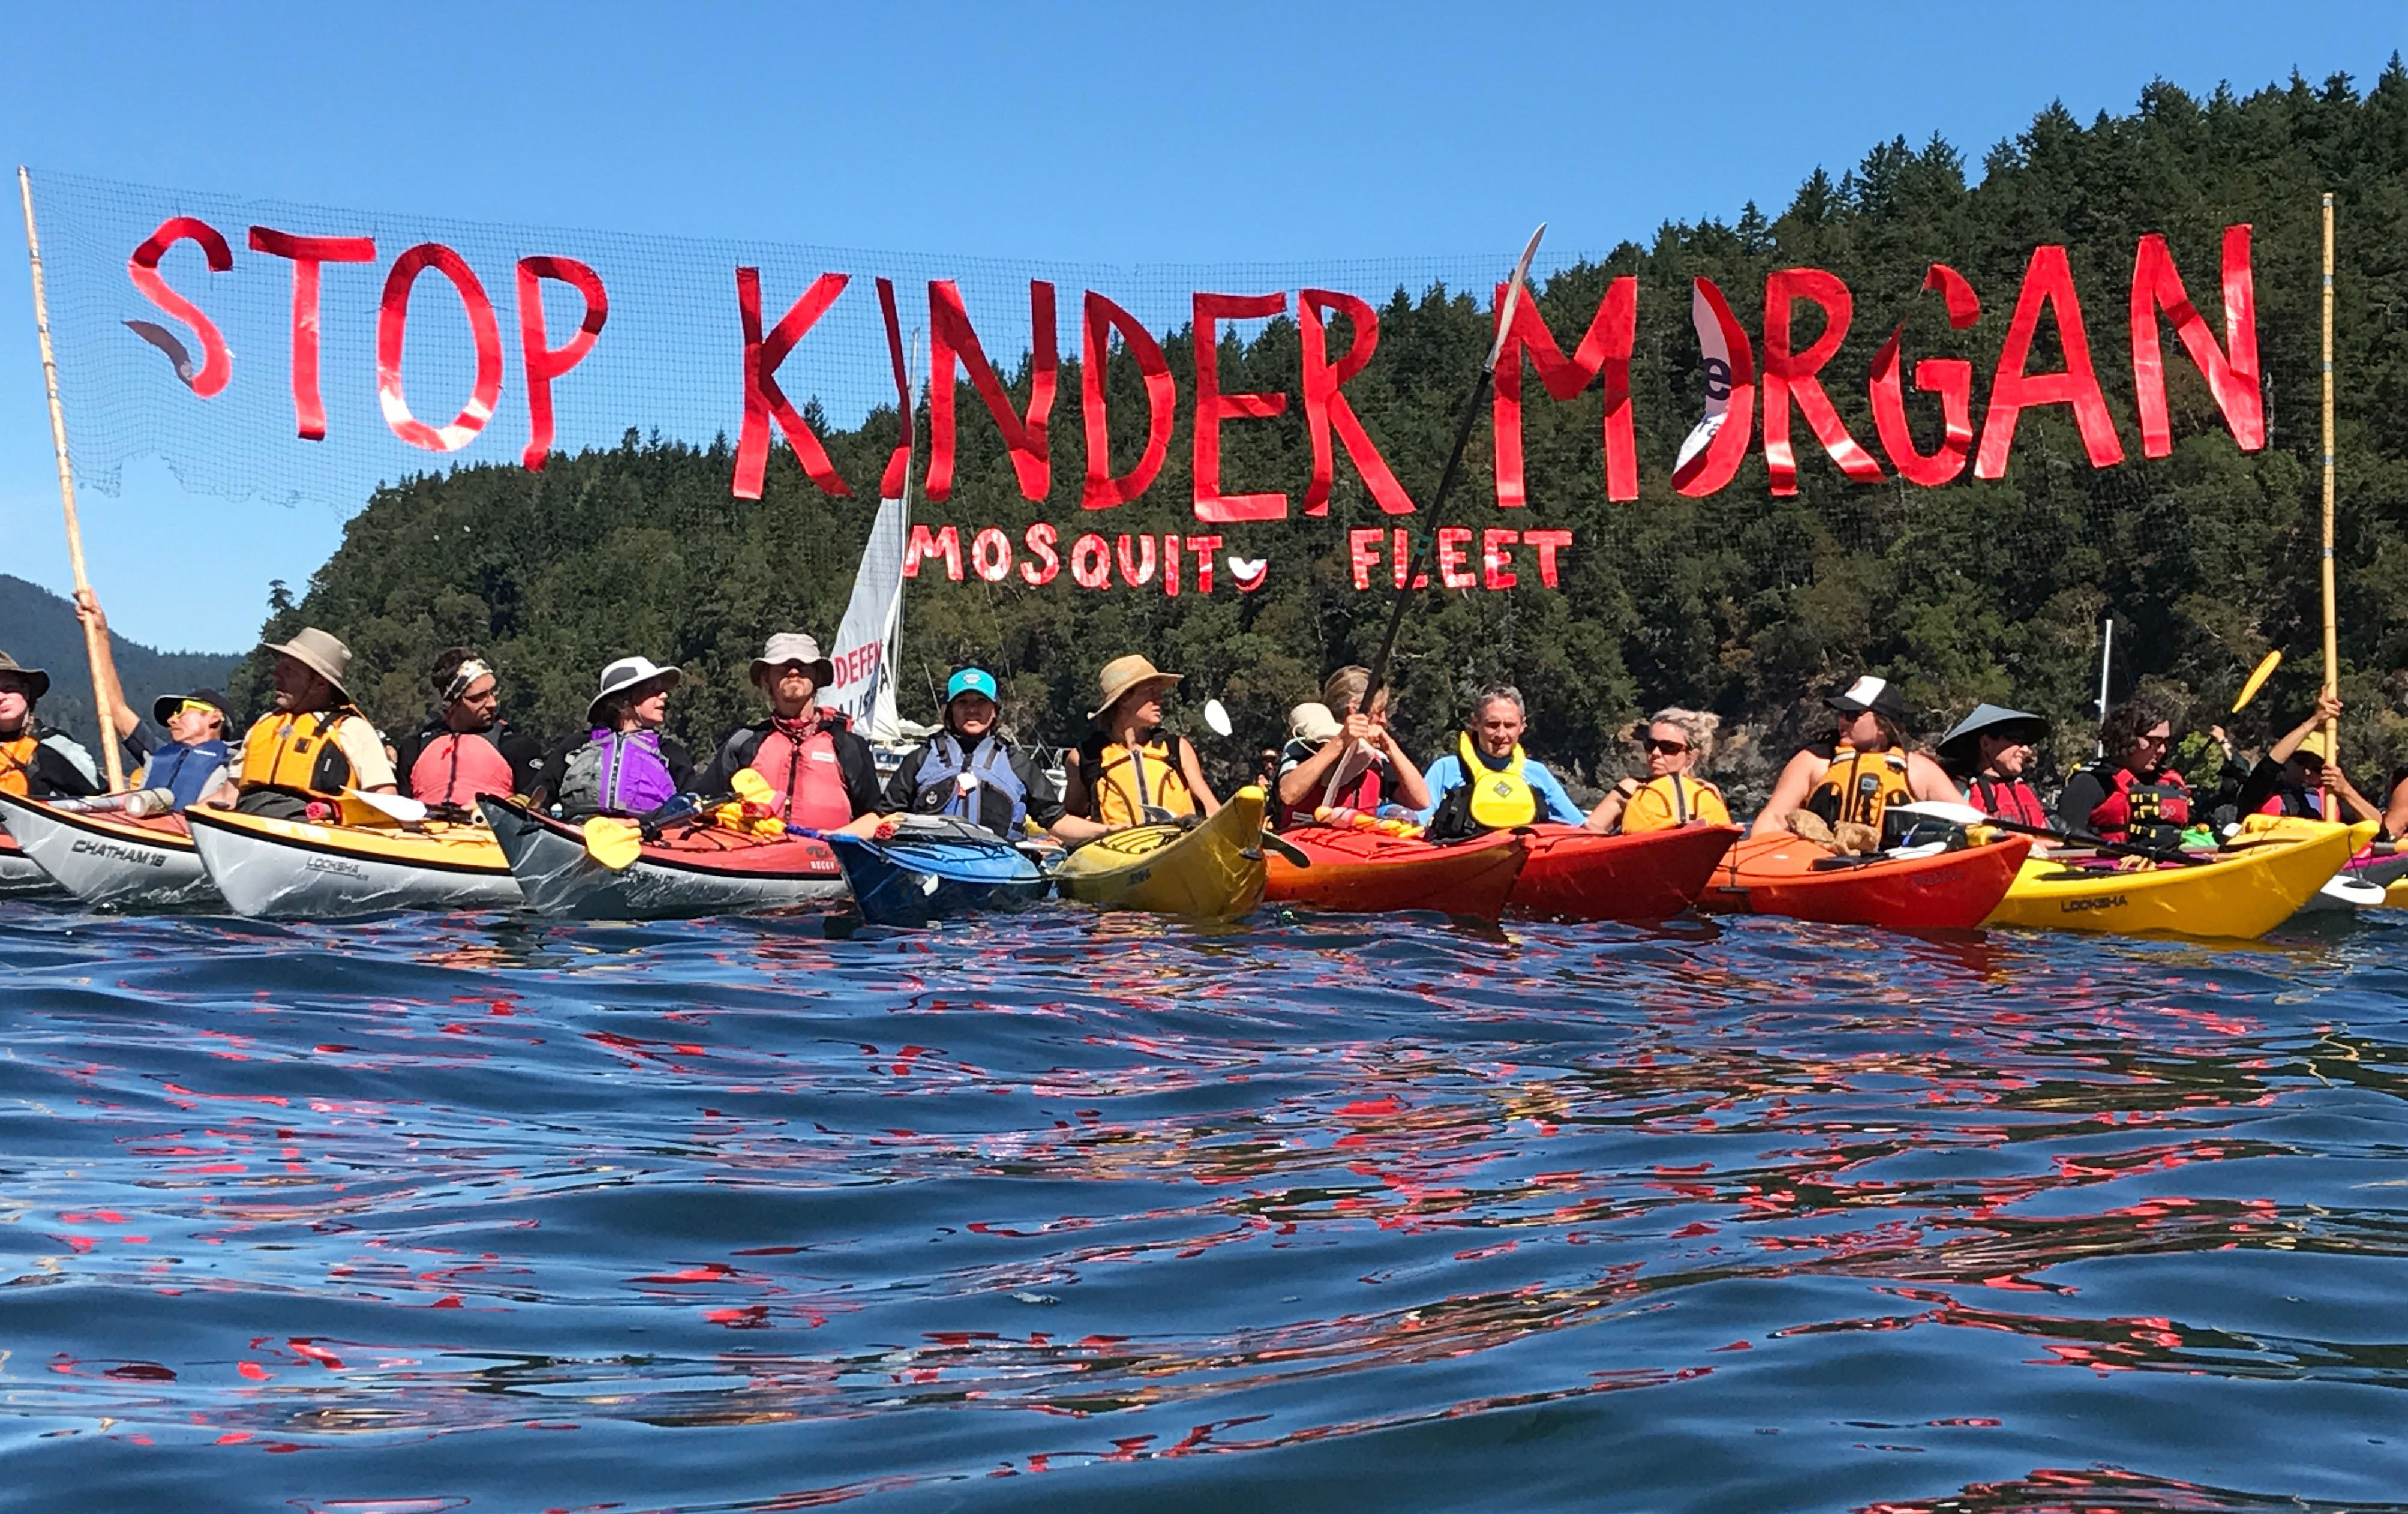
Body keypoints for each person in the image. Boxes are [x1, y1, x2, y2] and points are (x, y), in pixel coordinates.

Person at [55, 587, 233, 813]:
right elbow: (114, 707)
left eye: (183, 711)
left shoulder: (237, 762)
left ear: (215, 717)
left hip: (191, 841)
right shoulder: (157, 753)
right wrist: (99, 632)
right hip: (144, 839)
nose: (172, 720)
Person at [696, 634, 882, 831]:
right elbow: (702, 803)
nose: (794, 672)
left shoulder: (849, 745)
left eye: (803, 667)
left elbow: (876, 816)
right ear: (767, 678)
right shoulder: (743, 742)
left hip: (829, 858)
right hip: (753, 857)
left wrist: (834, 838)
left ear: (818, 677)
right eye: (782, 668)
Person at [1754, 675, 1957, 838]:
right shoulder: (1813, 761)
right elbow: (1774, 818)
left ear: (1881, 725)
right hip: (1819, 869)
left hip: (1892, 871)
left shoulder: (1920, 771)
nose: (1843, 721)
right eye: (1841, 713)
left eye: (1852, 715)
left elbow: (1971, 821)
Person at [884, 667, 1073, 840]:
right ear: (951, 711)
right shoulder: (921, 759)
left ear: (994, 710)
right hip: (933, 864)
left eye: (981, 701)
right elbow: (883, 816)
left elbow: (1057, 821)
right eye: (962, 702)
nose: (972, 709)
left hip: (998, 867)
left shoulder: (1018, 763)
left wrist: (1102, 830)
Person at [228, 626, 397, 818]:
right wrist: (189, 816)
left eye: (289, 670)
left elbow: (387, 801)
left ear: (320, 685)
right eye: (279, 667)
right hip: (250, 819)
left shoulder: (352, 729)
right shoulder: (264, 724)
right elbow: (229, 794)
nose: (277, 675)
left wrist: (336, 812)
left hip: (314, 829)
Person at [1061, 655, 1220, 830]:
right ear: (1124, 700)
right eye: (1150, 692)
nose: (1160, 700)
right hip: (1119, 852)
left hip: (1177, 847)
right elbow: (1071, 817)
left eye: (1159, 693)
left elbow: (1213, 810)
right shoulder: (1085, 757)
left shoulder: (1176, 748)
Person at [1273, 665, 1431, 830]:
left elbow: (1421, 801)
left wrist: (1390, 747)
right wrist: (1340, 742)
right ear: (1353, 709)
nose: (1384, 720)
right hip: (1303, 847)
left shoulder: (1378, 759)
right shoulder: (1304, 746)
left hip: (1359, 851)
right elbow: (1289, 794)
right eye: (1379, 711)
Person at [1417, 685, 1586, 838]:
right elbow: (1415, 822)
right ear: (1475, 723)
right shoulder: (1446, 769)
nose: (1501, 734)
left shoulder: (1538, 773)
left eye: (1510, 725)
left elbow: (1580, 827)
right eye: (1493, 725)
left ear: (1522, 726)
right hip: (1460, 858)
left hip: (1524, 860)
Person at [391, 647, 545, 811]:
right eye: (478, 698)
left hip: (488, 832)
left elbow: (537, 807)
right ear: (451, 704)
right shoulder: (414, 749)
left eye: (494, 692)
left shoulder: (517, 746)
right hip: (425, 832)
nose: (492, 703)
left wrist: (495, 810)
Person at [552, 655, 694, 819]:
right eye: (653, 690)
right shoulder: (579, 744)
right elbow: (539, 793)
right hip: (581, 833)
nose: (664, 696)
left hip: (648, 837)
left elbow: (694, 802)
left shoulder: (669, 751)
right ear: (625, 700)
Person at [2057, 695, 2191, 849]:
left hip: (2165, 866)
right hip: (2106, 868)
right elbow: (2064, 843)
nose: (2162, 750)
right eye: (2153, 741)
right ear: (2127, 737)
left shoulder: (2166, 782)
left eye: (2165, 742)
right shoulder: (2090, 783)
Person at [2233, 691, 2382, 823]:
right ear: (2288, 760)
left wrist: (2345, 790)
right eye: (2301, 762)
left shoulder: (2333, 798)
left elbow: (2381, 829)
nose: (2307, 772)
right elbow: (2269, 765)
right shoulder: (2261, 790)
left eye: (2317, 767)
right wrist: (2316, 719)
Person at [1583, 707, 1732, 833]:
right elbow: (1589, 830)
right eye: (1650, 744)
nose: (1655, 753)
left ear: (1691, 755)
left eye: (1668, 747)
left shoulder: (1708, 791)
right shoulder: (1630, 789)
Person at [0, 649, 104, 801]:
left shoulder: (55, 746)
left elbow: (102, 797)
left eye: (9, 688)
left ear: (26, 693)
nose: (1, 698)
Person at [1934, 703, 2054, 831]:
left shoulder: (2027, 791)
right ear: (1986, 744)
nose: (2026, 750)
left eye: (2027, 743)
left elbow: (2060, 831)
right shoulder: (1959, 791)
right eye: (2016, 739)